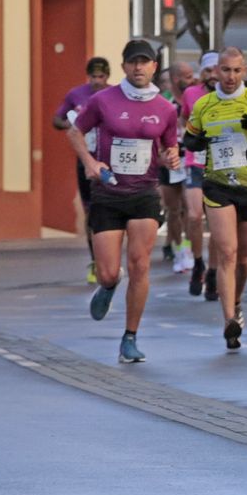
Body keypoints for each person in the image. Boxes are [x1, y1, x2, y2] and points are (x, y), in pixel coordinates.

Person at [72, 39, 181, 364]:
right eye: (133, 61)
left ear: (153, 67)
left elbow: (167, 149)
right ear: (123, 66)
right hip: (107, 195)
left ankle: (130, 337)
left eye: (145, 61)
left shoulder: (164, 108)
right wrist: (90, 164)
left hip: (144, 194)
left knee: (140, 264)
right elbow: (75, 132)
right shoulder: (103, 100)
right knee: (108, 272)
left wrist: (170, 158)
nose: (138, 67)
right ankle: (106, 287)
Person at [181, 48, 247, 353]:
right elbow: (189, 139)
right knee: (227, 253)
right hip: (217, 186)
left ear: (244, 71)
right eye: (225, 71)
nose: (230, 77)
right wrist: (200, 138)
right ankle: (229, 319)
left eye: (236, 71)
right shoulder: (205, 104)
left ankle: (237, 301)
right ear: (215, 71)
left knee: (244, 258)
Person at [54, 57, 112, 284]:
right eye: (93, 77)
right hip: (86, 159)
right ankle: (96, 261)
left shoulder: (115, 94)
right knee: (91, 211)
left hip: (109, 159)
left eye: (101, 77)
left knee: (111, 207)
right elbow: (56, 119)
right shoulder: (76, 95)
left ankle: (110, 258)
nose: (97, 81)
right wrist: (72, 125)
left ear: (107, 76)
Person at [181, 52, 220, 298]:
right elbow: (187, 123)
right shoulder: (191, 94)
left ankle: (214, 272)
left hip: (220, 165)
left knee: (217, 223)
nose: (213, 75)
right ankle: (198, 262)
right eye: (209, 70)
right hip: (195, 162)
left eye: (218, 69)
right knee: (195, 216)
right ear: (202, 73)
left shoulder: (228, 95)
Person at [157, 63, 189, 268]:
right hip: (169, 158)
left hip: (190, 157)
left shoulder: (195, 98)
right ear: (176, 79)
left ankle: (188, 246)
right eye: (187, 76)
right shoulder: (163, 103)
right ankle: (179, 248)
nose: (192, 79)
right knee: (173, 209)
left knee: (191, 207)